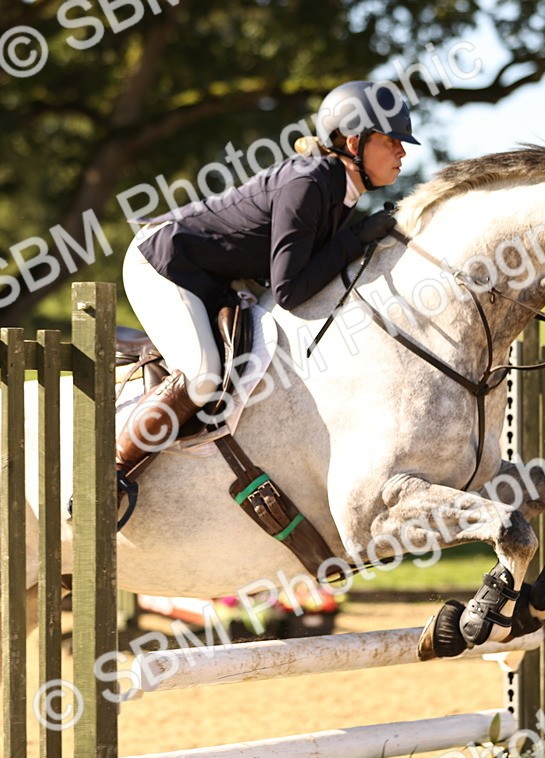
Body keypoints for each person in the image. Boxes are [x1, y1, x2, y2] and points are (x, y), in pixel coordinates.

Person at [116, 80, 420, 499]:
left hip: (207, 275)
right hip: (164, 260)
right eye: (392, 141)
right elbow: (291, 289)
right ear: (354, 141)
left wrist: (358, 237)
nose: (403, 152)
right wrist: (356, 240)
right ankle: (111, 472)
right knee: (204, 377)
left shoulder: (337, 188)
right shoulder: (310, 183)